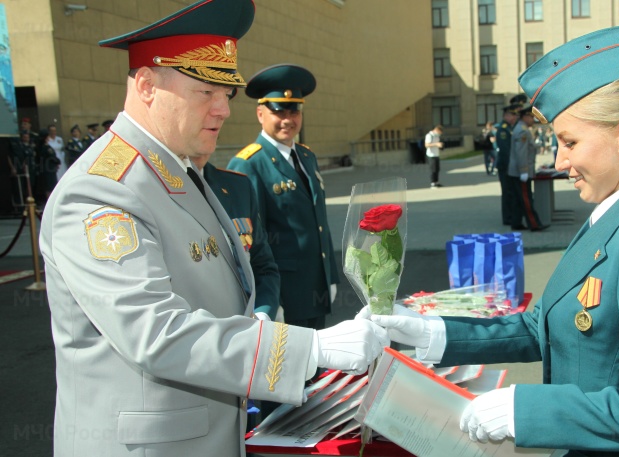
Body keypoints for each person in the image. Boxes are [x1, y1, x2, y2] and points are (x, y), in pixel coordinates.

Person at [365, 24, 619, 455]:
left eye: (570, 142)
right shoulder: (612, 216)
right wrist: (432, 334)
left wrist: (529, 411)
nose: (560, 161)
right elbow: (540, 327)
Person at [39, 2, 387, 456]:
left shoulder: (175, 171)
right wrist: (309, 349)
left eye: (227, 93)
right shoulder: (101, 191)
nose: (223, 110)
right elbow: (156, 332)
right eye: (205, 91)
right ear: (146, 85)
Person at [228, 64, 340, 331]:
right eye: (278, 111)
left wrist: (330, 276)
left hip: (315, 286)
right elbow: (248, 242)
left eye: (294, 110)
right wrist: (267, 300)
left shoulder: (306, 156)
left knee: (315, 367)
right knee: (287, 369)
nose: (288, 119)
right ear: (260, 114)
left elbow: (319, 224)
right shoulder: (249, 164)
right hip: (282, 292)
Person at [190, 154, 282, 320]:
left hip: (251, 325)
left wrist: (262, 315)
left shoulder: (237, 185)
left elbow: (262, 264)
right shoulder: (150, 188)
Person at [508, 103, 545, 231]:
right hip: (521, 172)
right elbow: (521, 153)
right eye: (531, 117)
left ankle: (516, 223)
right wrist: (524, 170)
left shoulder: (521, 128)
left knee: (519, 199)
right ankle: (534, 224)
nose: (532, 120)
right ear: (525, 117)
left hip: (517, 171)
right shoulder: (522, 130)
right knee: (526, 199)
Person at [494, 104, 520, 225]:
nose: (514, 117)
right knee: (507, 192)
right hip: (505, 166)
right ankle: (507, 218)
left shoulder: (509, 127)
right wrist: (512, 166)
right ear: (506, 116)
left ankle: (511, 215)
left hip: (508, 165)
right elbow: (505, 150)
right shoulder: (503, 129)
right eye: (512, 115)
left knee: (510, 192)